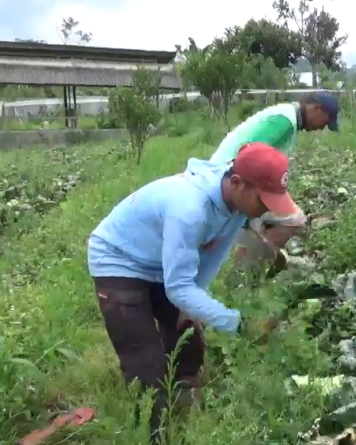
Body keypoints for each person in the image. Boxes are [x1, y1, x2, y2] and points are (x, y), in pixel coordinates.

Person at [87, 142, 296, 443]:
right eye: (263, 199)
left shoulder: (236, 205)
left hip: (159, 260)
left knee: (188, 337)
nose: (267, 208)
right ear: (236, 182)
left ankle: (184, 398)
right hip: (118, 260)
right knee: (148, 365)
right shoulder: (189, 209)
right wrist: (235, 322)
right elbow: (178, 287)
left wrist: (194, 301)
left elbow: (212, 254)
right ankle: (154, 432)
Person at [208, 92, 340, 274]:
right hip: (232, 177)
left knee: (280, 218)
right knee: (295, 220)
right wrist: (246, 207)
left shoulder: (288, 118)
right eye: (325, 121)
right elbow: (250, 156)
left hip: (235, 177)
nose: (322, 127)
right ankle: (246, 269)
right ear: (316, 108)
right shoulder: (284, 121)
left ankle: (248, 262)